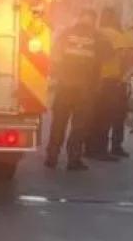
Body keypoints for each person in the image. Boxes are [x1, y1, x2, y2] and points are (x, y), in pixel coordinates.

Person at [45, 9, 105, 171]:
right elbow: (105, 58)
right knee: (79, 126)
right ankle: (73, 159)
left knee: (58, 123)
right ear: (94, 20)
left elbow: (55, 55)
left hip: (64, 87)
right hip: (85, 90)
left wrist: (58, 75)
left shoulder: (66, 34)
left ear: (79, 18)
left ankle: (52, 156)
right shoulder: (98, 37)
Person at [87, 7, 133, 160]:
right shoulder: (116, 35)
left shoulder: (95, 33)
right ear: (114, 18)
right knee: (107, 117)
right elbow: (126, 56)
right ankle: (102, 150)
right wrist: (122, 76)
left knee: (94, 117)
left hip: (92, 81)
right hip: (110, 82)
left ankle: (89, 148)